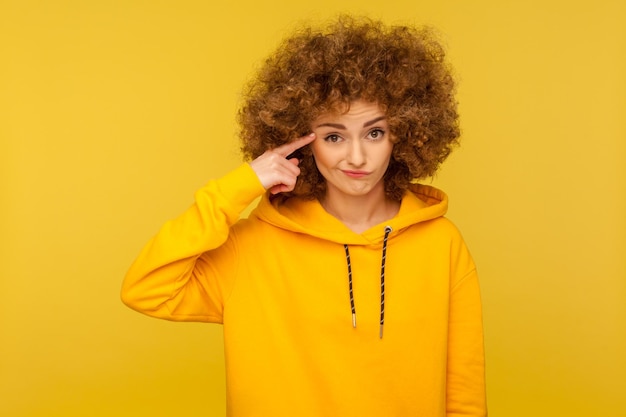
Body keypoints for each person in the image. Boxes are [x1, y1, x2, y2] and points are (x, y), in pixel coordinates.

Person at [121, 15, 487, 417]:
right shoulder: (253, 246)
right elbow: (147, 287)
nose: (357, 157)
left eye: (374, 133)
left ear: (404, 132)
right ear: (300, 142)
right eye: (333, 137)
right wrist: (240, 185)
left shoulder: (441, 242)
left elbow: (463, 389)